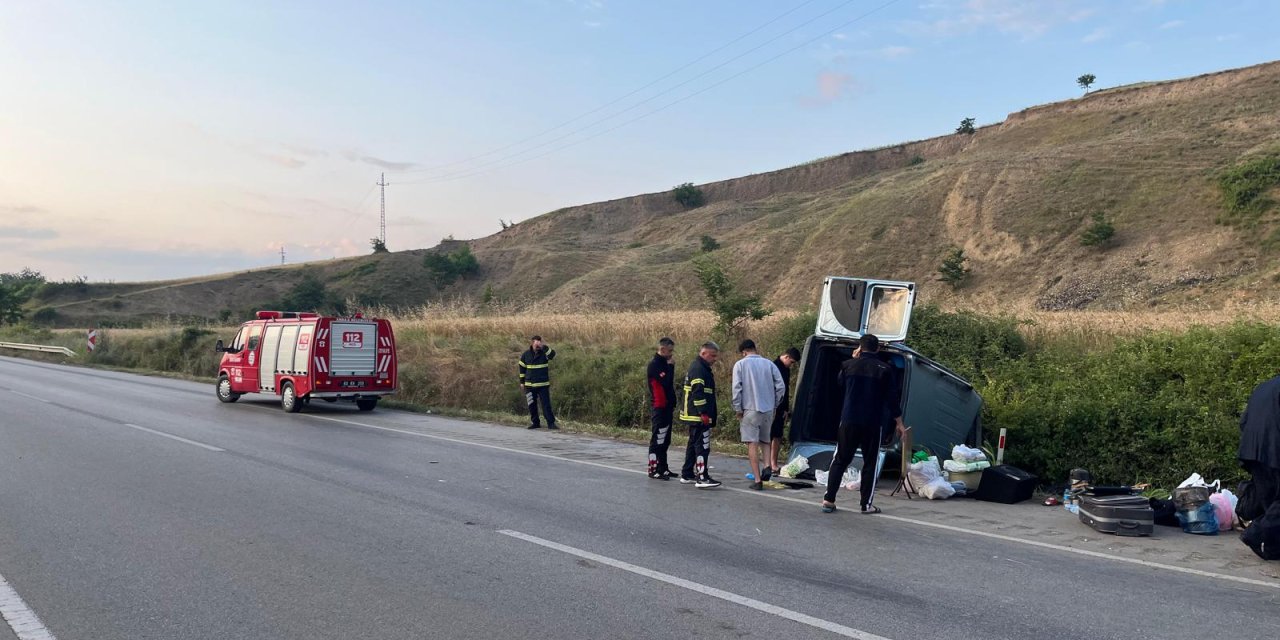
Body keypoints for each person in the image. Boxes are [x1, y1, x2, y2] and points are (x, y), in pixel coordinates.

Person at [822, 334, 906, 514]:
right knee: (870, 462)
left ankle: (829, 499)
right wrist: (899, 423)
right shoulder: (884, 369)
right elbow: (892, 399)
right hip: (872, 422)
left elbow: (840, 384)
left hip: (849, 420)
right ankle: (865, 505)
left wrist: (853, 360)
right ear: (877, 349)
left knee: (840, 460)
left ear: (860, 347)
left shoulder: (847, 366)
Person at [732, 339, 785, 490]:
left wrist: (738, 409)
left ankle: (757, 479)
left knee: (752, 443)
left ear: (743, 352)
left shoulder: (740, 365)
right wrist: (774, 403)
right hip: (768, 409)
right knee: (765, 440)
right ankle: (767, 465)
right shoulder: (769, 364)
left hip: (750, 409)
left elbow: (737, 389)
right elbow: (780, 386)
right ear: (755, 349)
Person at [679, 342, 722, 488]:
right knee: (702, 446)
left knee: (693, 444)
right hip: (697, 415)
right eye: (713, 355)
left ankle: (687, 474)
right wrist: (703, 412)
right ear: (703, 353)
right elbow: (698, 392)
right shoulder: (699, 369)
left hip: (693, 414)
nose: (715, 359)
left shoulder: (700, 367)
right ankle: (702, 477)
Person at [1239, 375, 1280, 520]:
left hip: (1251, 452)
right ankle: (1255, 536)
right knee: (1275, 507)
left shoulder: (1262, 387)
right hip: (1273, 452)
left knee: (1268, 504)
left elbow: (1244, 422)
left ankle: (1264, 538)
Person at [646, 337, 677, 480]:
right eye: (669, 350)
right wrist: (670, 367)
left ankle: (663, 468)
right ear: (662, 349)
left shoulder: (665, 363)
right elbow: (665, 382)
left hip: (667, 406)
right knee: (657, 438)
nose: (671, 353)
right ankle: (653, 469)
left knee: (665, 439)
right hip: (659, 406)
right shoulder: (654, 364)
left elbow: (670, 383)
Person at [769, 347, 802, 476]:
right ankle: (771, 463)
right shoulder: (774, 367)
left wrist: (786, 409)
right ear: (786, 357)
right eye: (792, 362)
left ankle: (773, 463)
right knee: (772, 436)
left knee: (777, 435)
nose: (792, 365)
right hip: (772, 407)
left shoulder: (785, 369)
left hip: (780, 408)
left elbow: (785, 391)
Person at [518, 335, 557, 430]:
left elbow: (552, 355)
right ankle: (535, 423)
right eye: (536, 343)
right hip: (529, 386)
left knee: (546, 405)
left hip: (542, 385)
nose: (537, 345)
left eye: (539, 343)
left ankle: (551, 424)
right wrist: (522, 382)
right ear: (532, 343)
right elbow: (522, 369)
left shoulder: (544, 353)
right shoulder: (526, 354)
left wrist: (544, 347)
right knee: (531, 404)